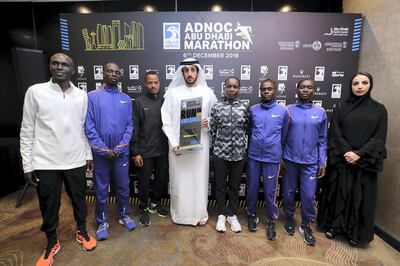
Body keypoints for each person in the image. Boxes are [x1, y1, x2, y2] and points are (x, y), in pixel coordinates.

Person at [20, 53, 96, 266]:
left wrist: (88, 154)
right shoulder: (35, 92)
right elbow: (27, 130)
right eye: (55, 63)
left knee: (80, 200)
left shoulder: (81, 95)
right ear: (50, 66)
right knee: (48, 205)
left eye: (65, 64)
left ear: (72, 70)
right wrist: (28, 164)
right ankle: (52, 242)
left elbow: (83, 130)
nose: (59, 67)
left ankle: (82, 231)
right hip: (45, 162)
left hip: (75, 160)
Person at [317, 72, 387, 246]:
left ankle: (355, 233)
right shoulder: (341, 106)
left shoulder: (379, 109)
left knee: (360, 198)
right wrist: (347, 152)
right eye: (356, 83)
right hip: (342, 160)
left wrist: (359, 154)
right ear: (351, 85)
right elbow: (335, 131)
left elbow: (379, 137)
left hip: (364, 163)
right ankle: (334, 227)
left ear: (370, 85)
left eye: (364, 83)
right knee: (337, 194)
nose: (360, 86)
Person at [161, 58, 218, 226]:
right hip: (178, 147)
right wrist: (173, 143)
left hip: (201, 146)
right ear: (182, 73)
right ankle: (181, 215)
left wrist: (208, 122)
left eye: (193, 70)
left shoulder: (207, 93)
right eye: (186, 70)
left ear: (198, 72)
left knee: (199, 180)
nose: (190, 73)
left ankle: (199, 214)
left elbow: (215, 116)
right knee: (180, 180)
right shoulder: (174, 93)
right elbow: (166, 121)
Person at [85, 62, 136, 240]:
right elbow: (89, 126)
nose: (113, 74)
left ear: (120, 75)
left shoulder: (126, 99)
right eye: (110, 71)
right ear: (103, 73)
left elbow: (130, 125)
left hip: (121, 153)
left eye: (116, 72)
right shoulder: (92, 96)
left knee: (123, 186)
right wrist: (104, 149)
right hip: (102, 154)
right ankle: (102, 221)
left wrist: (120, 147)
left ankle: (124, 215)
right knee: (101, 189)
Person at [282, 79, 327, 246]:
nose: (305, 90)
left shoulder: (320, 112)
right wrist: (281, 158)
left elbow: (322, 139)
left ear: (314, 91)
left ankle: (306, 224)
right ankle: (289, 218)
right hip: (290, 160)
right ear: (297, 89)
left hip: (310, 162)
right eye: (302, 87)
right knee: (288, 192)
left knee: (308, 195)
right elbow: (282, 136)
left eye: (309, 87)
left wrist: (322, 161)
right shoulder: (288, 110)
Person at [246, 79, 289, 240]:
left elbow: (283, 136)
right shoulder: (253, 110)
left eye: (269, 89)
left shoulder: (283, 111)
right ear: (260, 90)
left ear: (275, 91)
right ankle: (251, 214)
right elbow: (250, 132)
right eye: (263, 89)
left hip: (272, 157)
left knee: (270, 191)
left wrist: (280, 154)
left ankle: (271, 219)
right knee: (252, 187)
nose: (266, 91)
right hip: (254, 156)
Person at [210, 76, 249, 233]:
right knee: (219, 186)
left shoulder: (245, 106)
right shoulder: (217, 106)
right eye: (229, 86)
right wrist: (218, 145)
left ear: (239, 89)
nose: (232, 89)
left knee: (234, 187)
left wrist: (240, 143)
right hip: (220, 153)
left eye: (235, 86)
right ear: (224, 88)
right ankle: (221, 214)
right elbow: (212, 129)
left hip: (239, 154)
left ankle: (232, 215)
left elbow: (247, 126)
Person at [131, 71, 169, 227]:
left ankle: (155, 203)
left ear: (159, 84)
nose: (153, 85)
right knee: (144, 182)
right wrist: (136, 152)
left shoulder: (165, 101)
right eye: (150, 82)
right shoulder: (138, 102)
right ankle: (143, 209)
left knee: (161, 180)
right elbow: (135, 128)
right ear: (145, 84)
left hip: (162, 150)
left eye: (156, 82)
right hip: (144, 151)